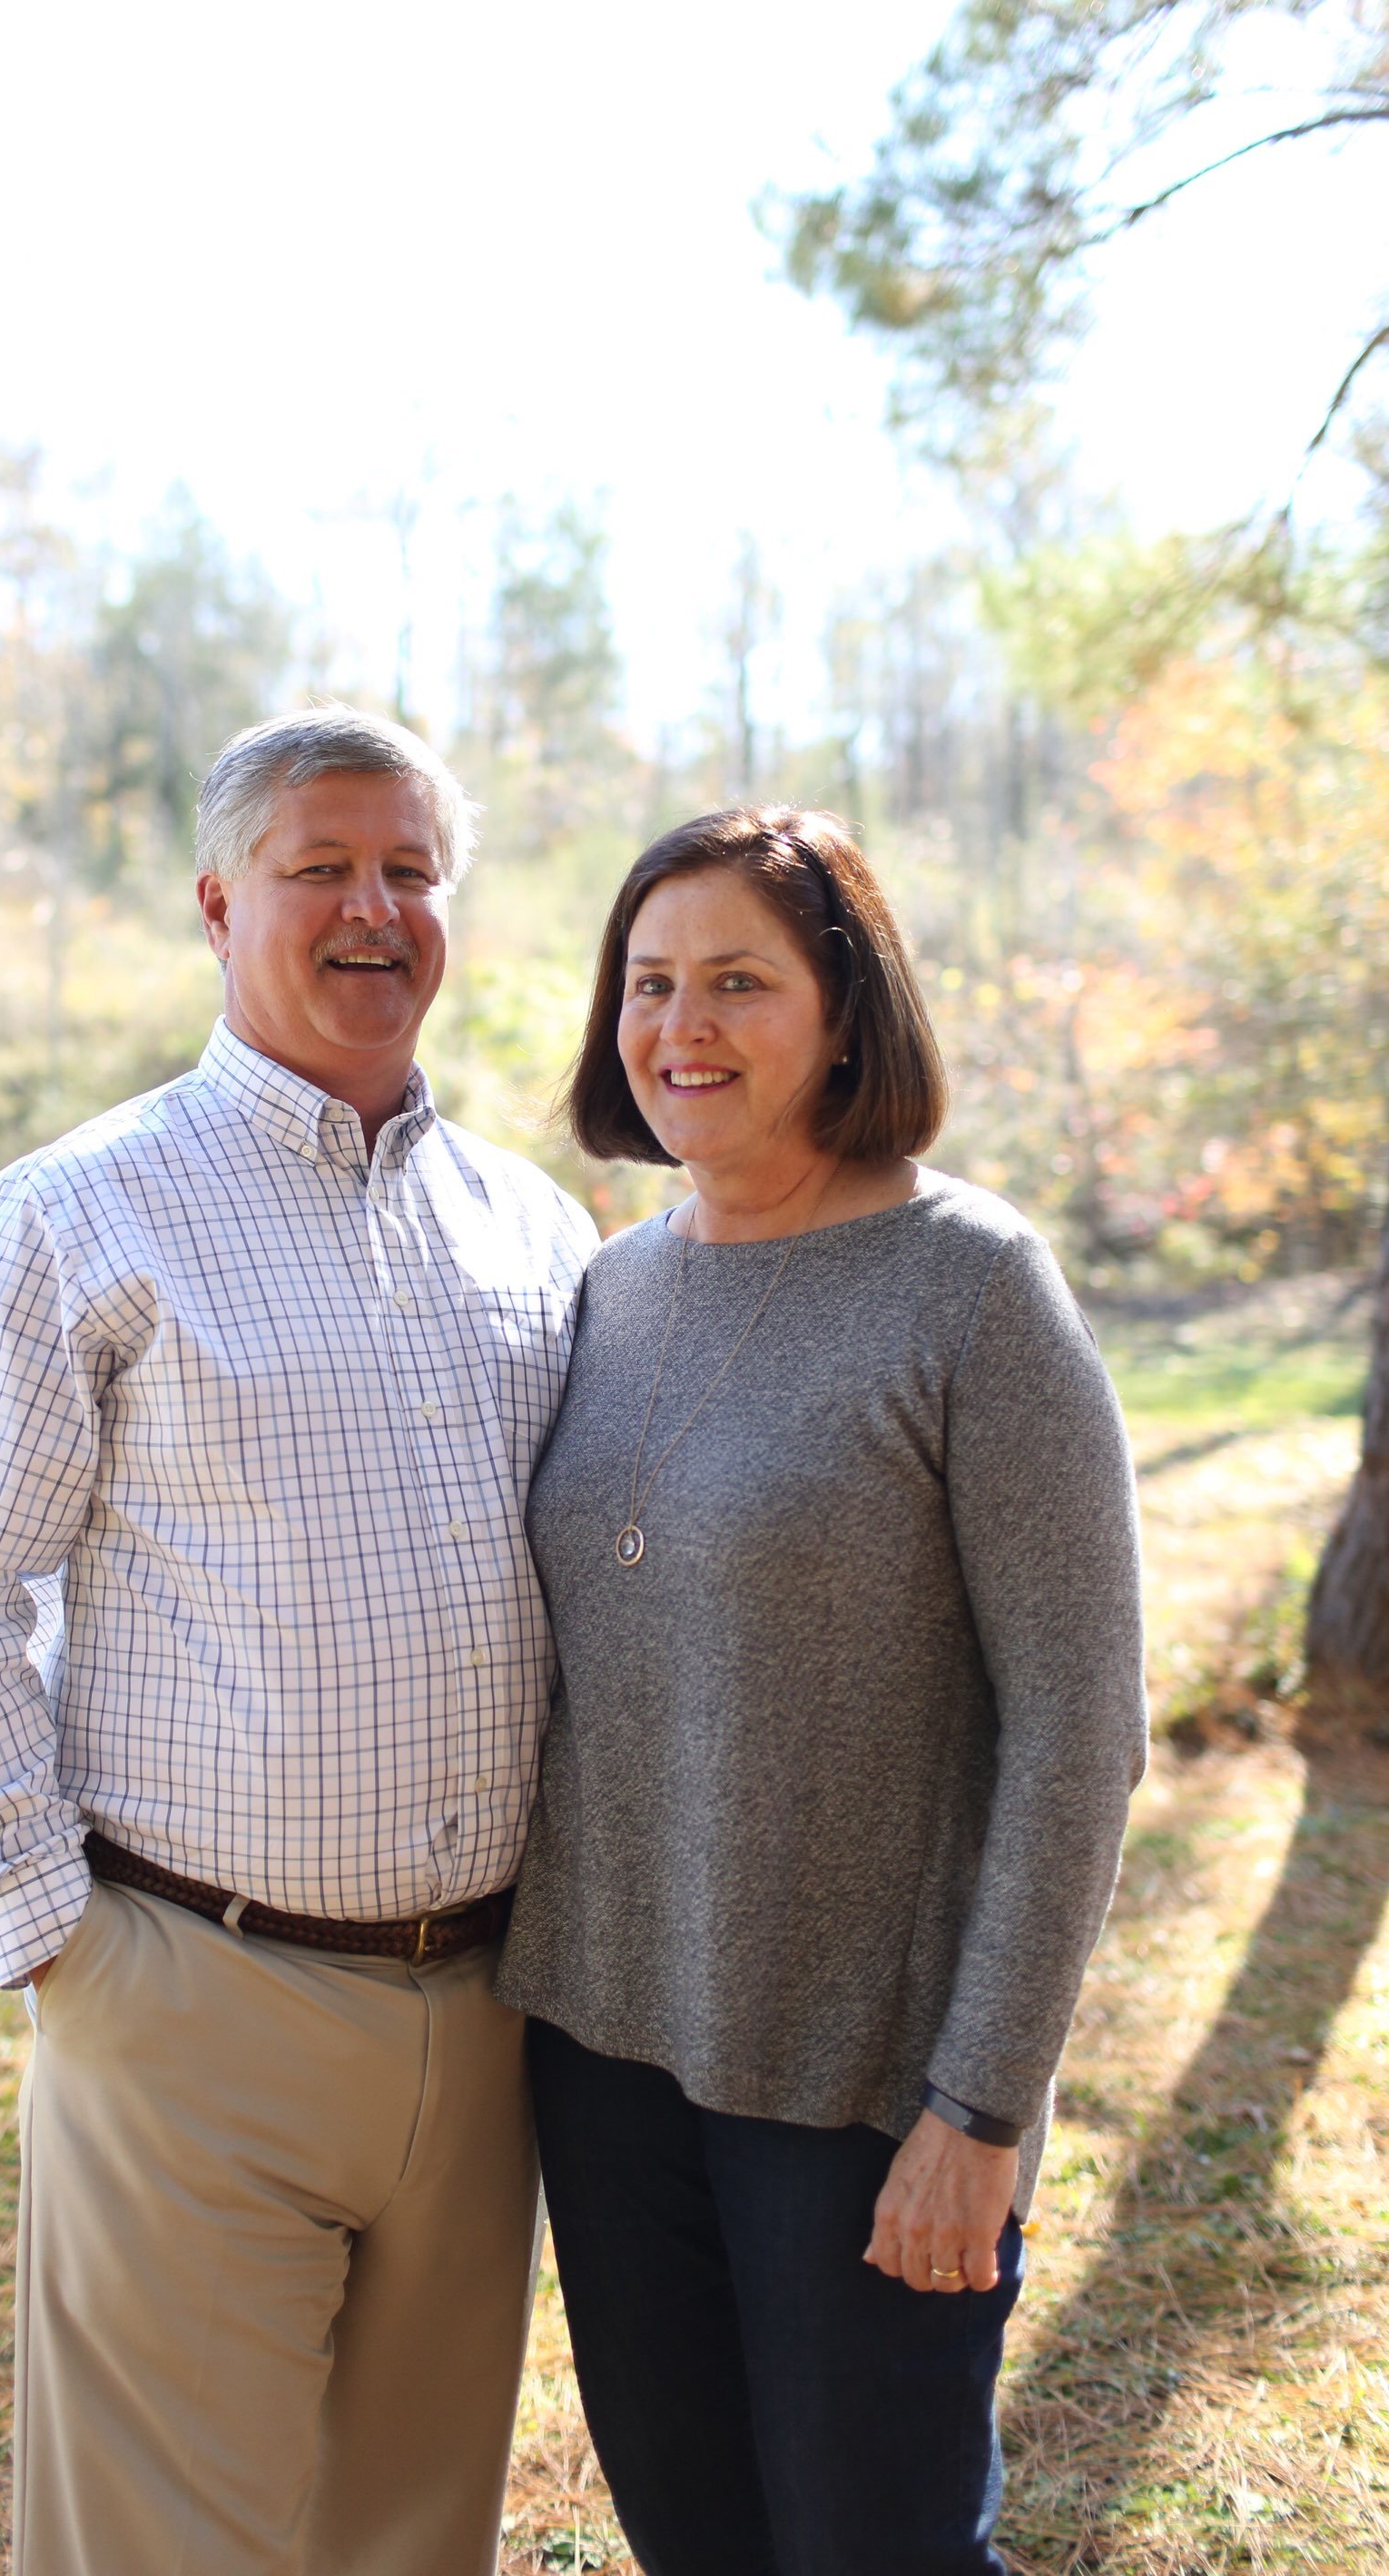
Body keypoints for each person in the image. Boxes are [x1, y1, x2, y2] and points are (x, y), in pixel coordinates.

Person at [0, 706, 596, 2576]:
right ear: (214, 902)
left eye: (410, 870)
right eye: (318, 865)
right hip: (192, 2001)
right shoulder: (80, 1212)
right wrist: (51, 1935)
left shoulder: (542, 1232)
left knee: (413, 2541)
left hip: (490, 2020)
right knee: (158, 2551)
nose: (371, 908)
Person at [497, 804, 1147, 2576]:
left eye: (736, 982)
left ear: (844, 1014)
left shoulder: (971, 1291)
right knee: (696, 2543)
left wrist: (983, 2110)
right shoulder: (610, 1287)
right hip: (601, 2058)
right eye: (648, 983)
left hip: (866, 2087)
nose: (680, 1028)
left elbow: (1079, 1729)